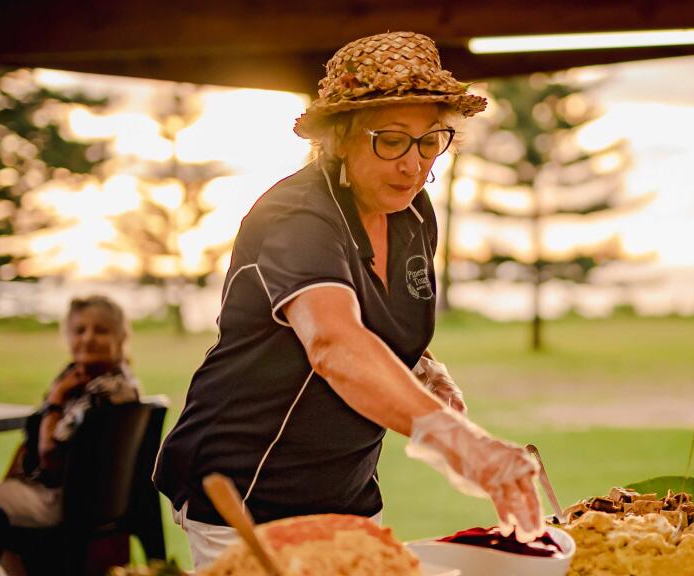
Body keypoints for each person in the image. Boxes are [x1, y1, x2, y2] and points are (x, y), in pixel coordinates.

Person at [153, 31, 542, 569]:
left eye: (431, 140)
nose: (414, 164)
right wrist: (463, 444)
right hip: (246, 488)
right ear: (339, 138)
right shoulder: (296, 216)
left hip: (348, 488)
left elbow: (376, 316)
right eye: (390, 139)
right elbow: (334, 341)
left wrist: (423, 369)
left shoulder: (412, 212)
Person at [0, 295, 140, 576]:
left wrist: (55, 399)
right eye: (79, 330)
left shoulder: (103, 390)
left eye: (101, 330)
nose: (88, 338)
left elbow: (50, 457)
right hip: (85, 498)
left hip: (66, 500)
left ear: (121, 338)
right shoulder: (116, 380)